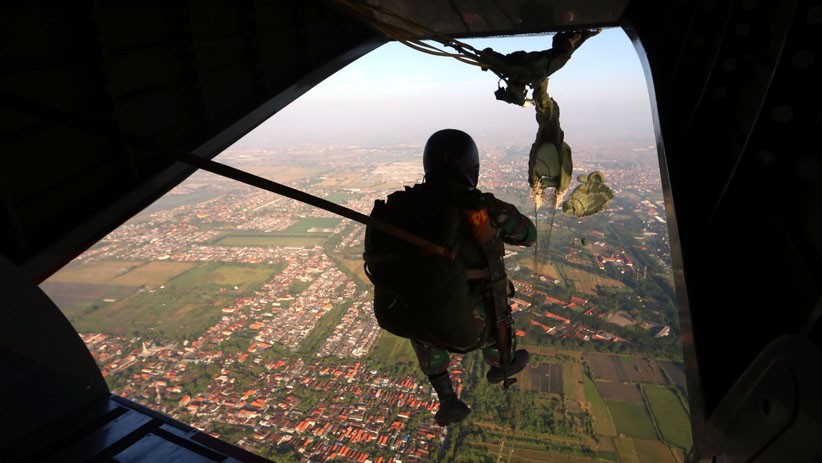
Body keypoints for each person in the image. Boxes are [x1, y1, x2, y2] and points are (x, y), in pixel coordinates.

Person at [407, 128, 537, 426]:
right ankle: (501, 363)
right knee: (496, 302)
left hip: (423, 326)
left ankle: (446, 397)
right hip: (474, 328)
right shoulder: (483, 207)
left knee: (421, 307)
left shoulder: (404, 208)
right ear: (472, 168)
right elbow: (529, 234)